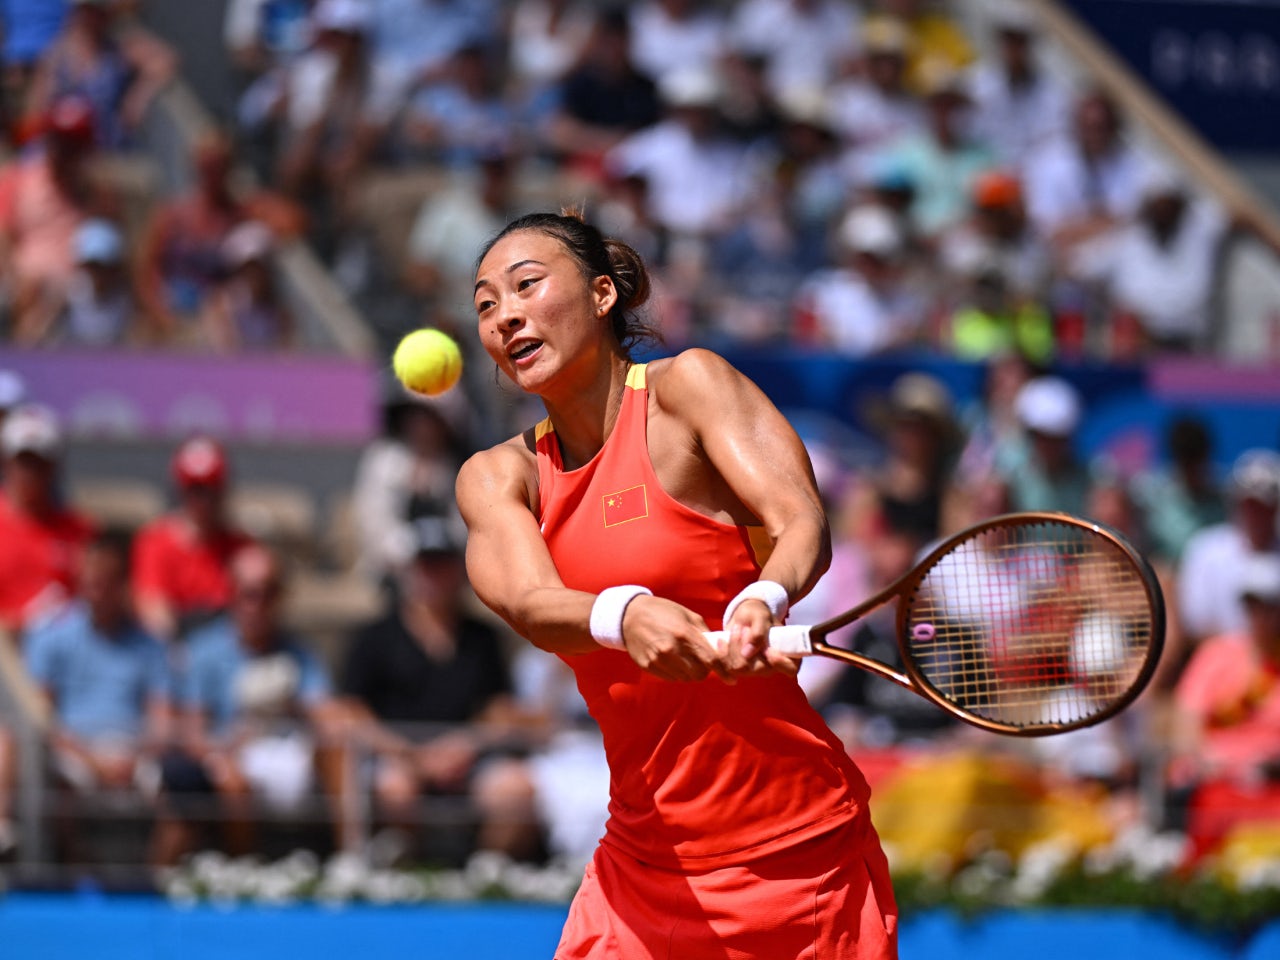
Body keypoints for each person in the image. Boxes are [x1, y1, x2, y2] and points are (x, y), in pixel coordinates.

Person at [457, 211, 897, 957]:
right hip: (641, 871)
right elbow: (532, 604)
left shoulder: (690, 387)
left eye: (527, 286)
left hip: (798, 861)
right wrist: (623, 614)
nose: (505, 316)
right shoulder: (500, 478)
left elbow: (800, 521)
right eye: (486, 305)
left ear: (602, 295)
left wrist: (764, 598)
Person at [337, 512, 532, 864]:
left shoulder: (482, 638)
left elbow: (502, 710)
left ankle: (483, 876)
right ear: (406, 570)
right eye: (424, 564)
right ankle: (413, 876)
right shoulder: (374, 636)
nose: (433, 575)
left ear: (458, 570)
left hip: (468, 761)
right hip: (395, 759)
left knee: (515, 788)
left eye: (441, 564)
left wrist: (465, 746)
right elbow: (351, 712)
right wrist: (408, 755)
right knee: (395, 789)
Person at [152, 545, 346, 865]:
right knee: (231, 778)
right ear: (232, 595)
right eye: (249, 593)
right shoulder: (204, 653)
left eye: (268, 593)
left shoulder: (300, 654)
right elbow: (193, 733)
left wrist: (293, 705)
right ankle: (243, 865)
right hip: (230, 756)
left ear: (281, 598)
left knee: (339, 744)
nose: (258, 605)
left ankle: (347, 858)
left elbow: (326, 714)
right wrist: (231, 743)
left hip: (289, 755)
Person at [23, 531, 172, 858]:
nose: (95, 591)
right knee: (59, 778)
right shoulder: (52, 636)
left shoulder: (150, 644)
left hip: (134, 749)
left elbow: (160, 718)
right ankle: (76, 875)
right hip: (75, 748)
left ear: (123, 585)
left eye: (104, 582)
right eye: (89, 581)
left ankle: (155, 879)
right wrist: (92, 760)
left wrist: (136, 757)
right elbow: (43, 717)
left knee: (175, 783)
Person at [131, 435, 255, 643]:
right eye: (195, 489)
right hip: (176, 650)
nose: (204, 501)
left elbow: (252, 613)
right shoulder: (154, 542)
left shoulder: (242, 548)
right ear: (180, 489)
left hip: (229, 650)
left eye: (211, 489)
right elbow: (154, 614)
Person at [0, 403, 95, 635]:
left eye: (40, 463)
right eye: (23, 461)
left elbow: (98, 598)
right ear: (6, 463)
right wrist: (24, 622)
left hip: (68, 649)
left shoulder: (80, 530)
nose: (30, 473)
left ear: (54, 468)